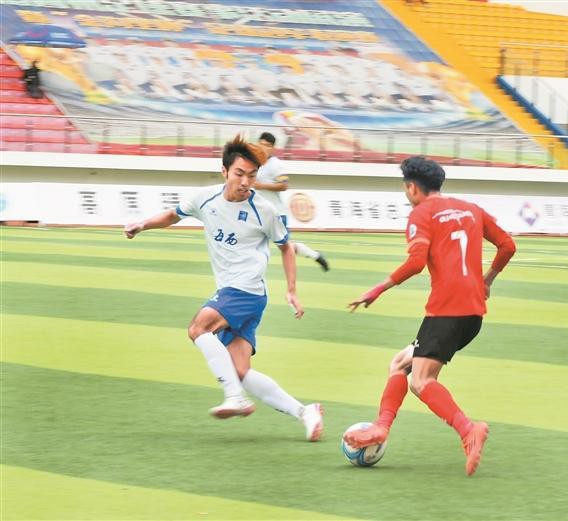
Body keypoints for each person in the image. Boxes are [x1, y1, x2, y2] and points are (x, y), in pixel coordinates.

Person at [124, 134, 324, 441]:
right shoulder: (205, 198)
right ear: (224, 171)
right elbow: (173, 215)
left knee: (198, 328)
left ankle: (235, 398)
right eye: (239, 174)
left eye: (252, 176)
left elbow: (286, 247)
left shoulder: (264, 210)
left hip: (244, 291)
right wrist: (142, 224)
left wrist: (292, 290)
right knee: (240, 371)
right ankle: (305, 412)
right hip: (241, 294)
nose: (245, 182)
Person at [344, 156, 516, 476]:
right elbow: (508, 246)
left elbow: (416, 263)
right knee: (400, 363)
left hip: (446, 310)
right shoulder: (471, 209)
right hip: (473, 314)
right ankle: (382, 426)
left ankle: (469, 430)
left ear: (412, 188)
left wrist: (377, 289)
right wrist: (487, 281)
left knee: (421, 381)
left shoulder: (421, 213)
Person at [252, 131, 329, 271]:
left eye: (267, 145)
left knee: (286, 247)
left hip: (276, 214)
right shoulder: (254, 163)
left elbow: (284, 185)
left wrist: (262, 186)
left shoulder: (275, 164)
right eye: (261, 144)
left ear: (272, 148)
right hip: (258, 213)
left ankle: (315, 255)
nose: (263, 148)